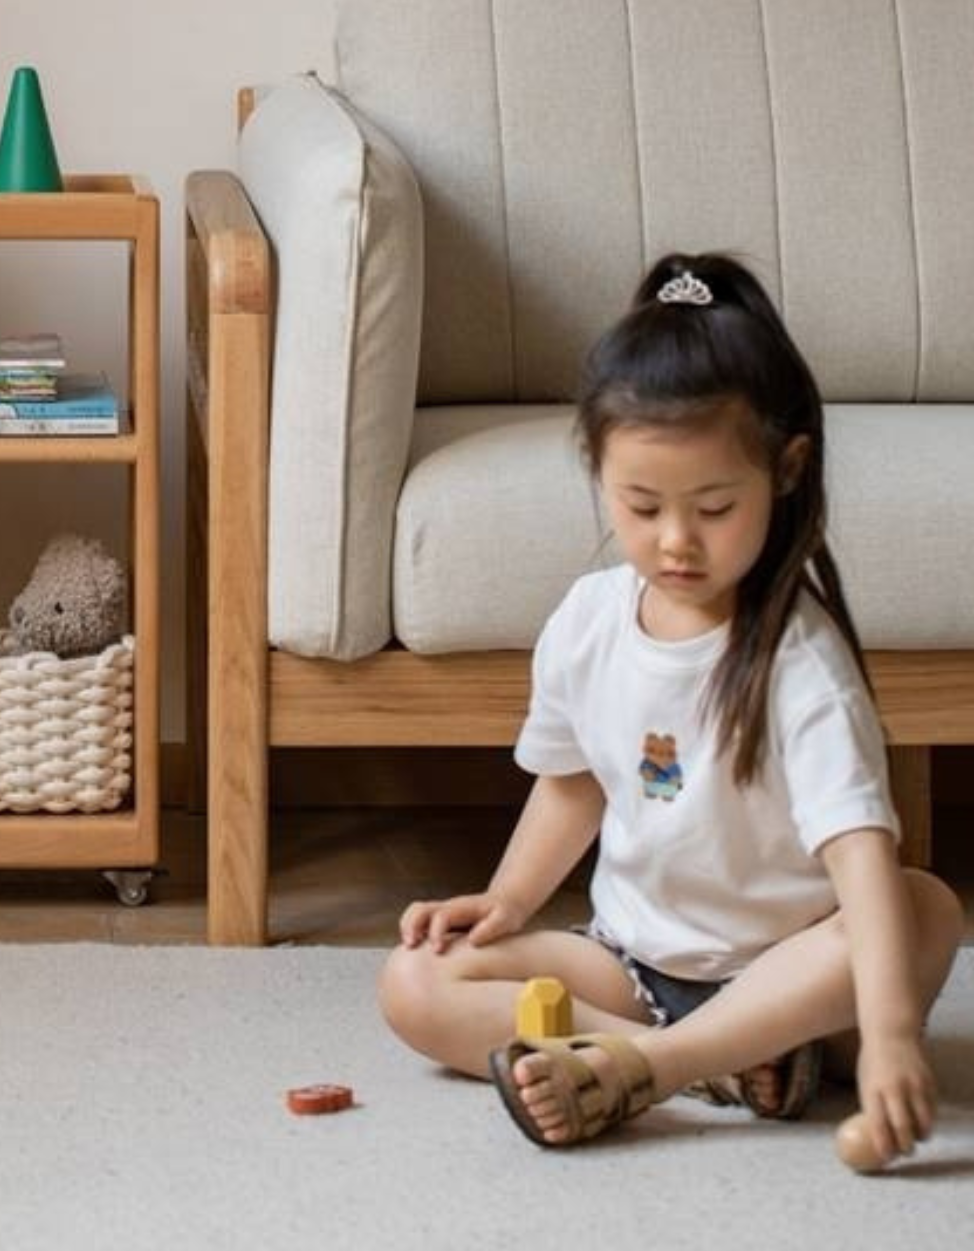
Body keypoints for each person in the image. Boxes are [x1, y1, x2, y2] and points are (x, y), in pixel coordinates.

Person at [378, 252, 964, 1160]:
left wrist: (889, 1036)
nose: (677, 541)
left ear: (785, 471)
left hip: (794, 972)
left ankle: (660, 1066)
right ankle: (709, 1061)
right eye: (642, 506)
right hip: (633, 968)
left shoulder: (798, 661)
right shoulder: (588, 619)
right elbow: (573, 785)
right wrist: (505, 897)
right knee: (413, 985)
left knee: (918, 909)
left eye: (715, 506)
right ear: (596, 470)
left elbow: (858, 857)